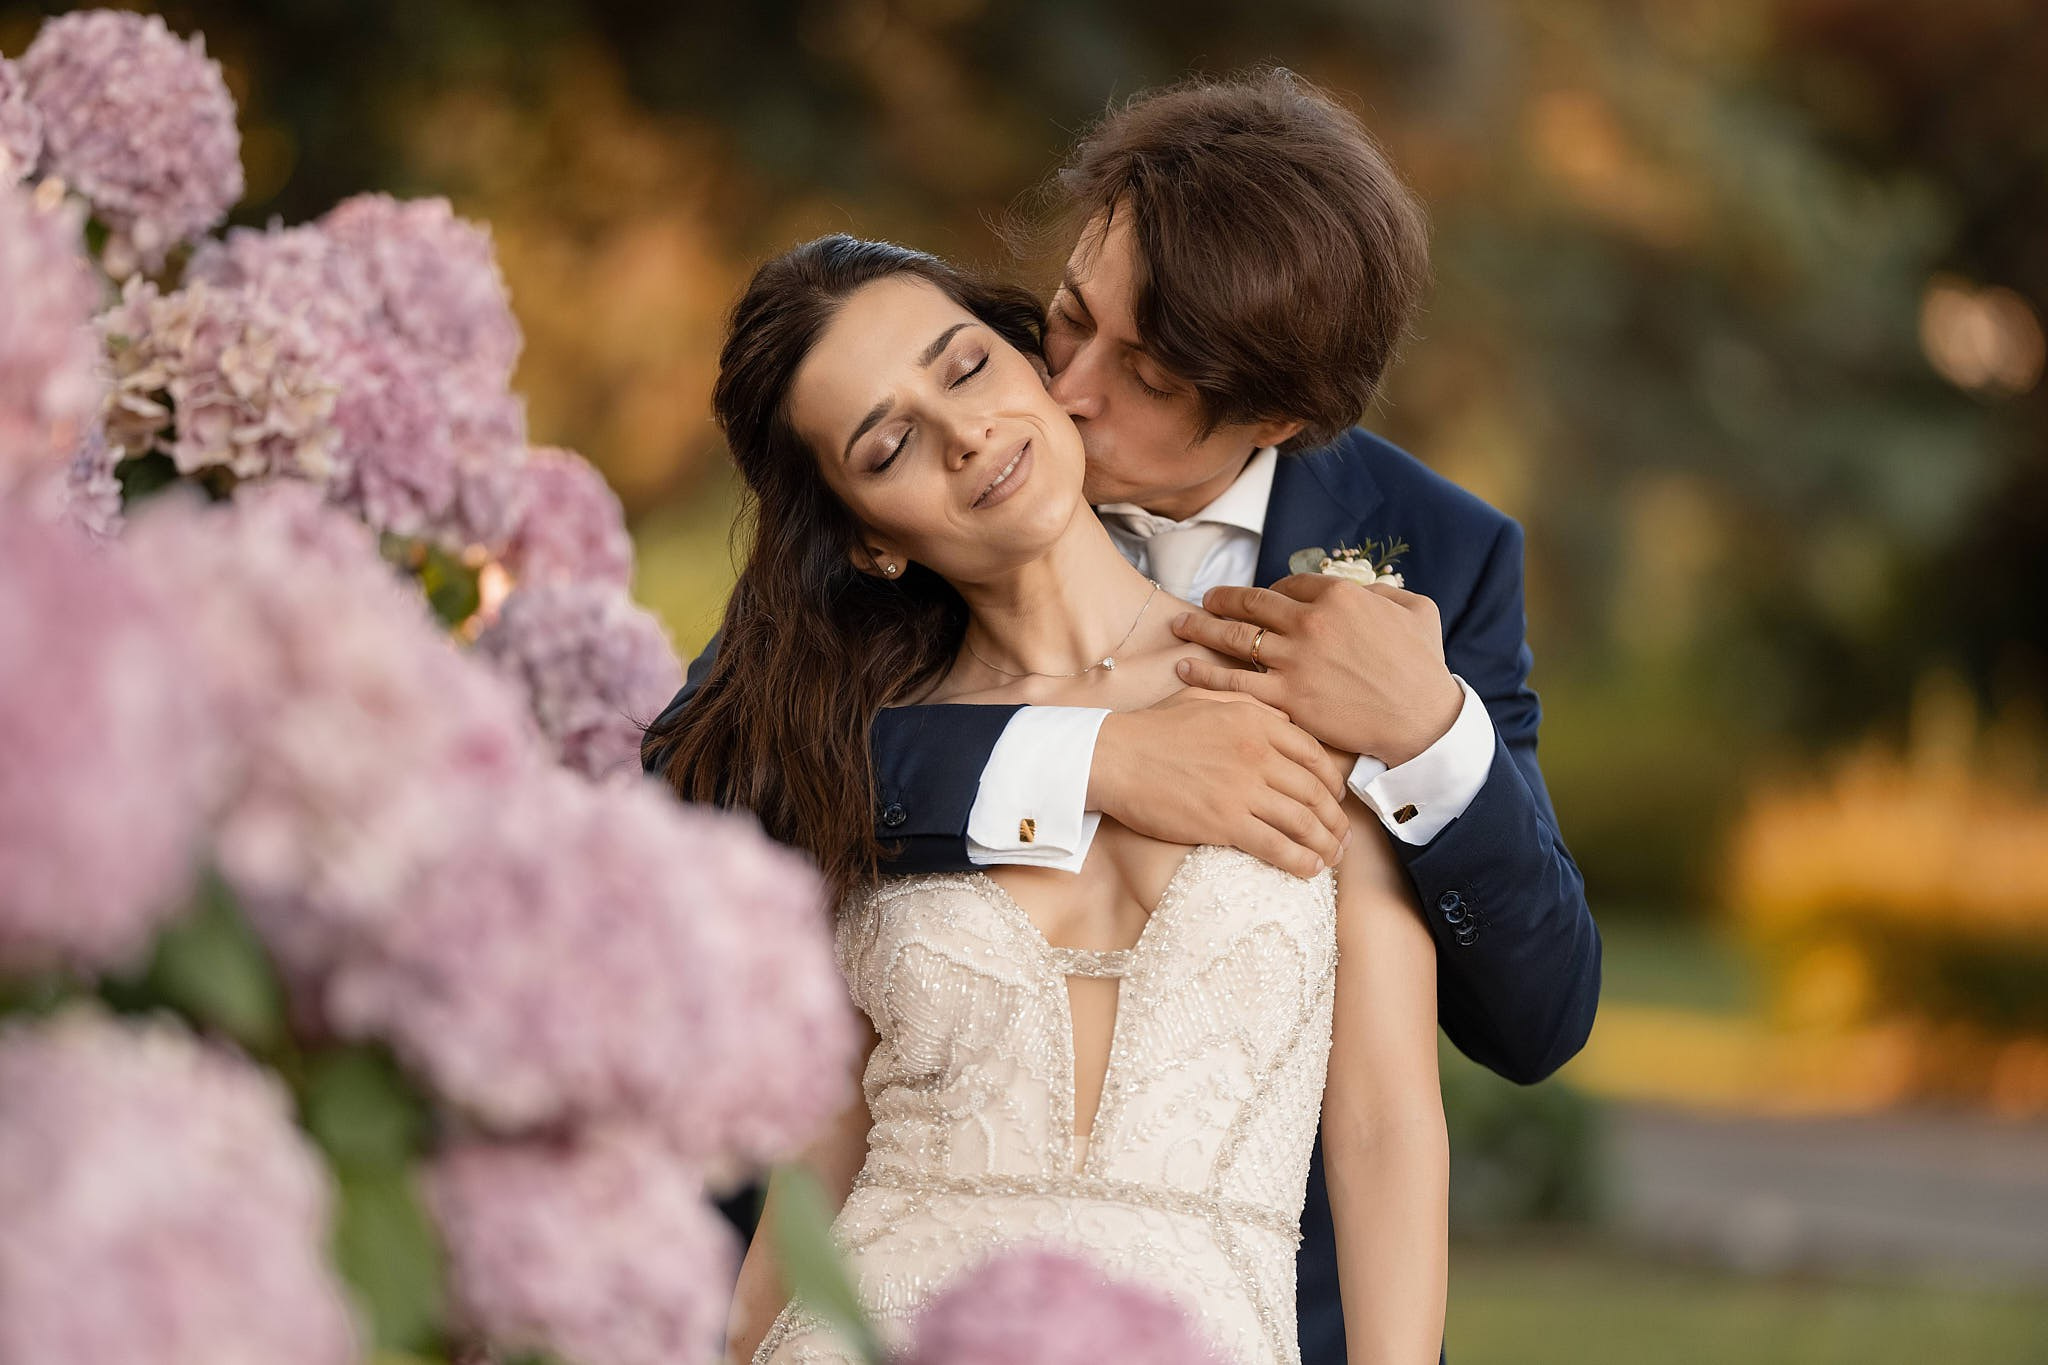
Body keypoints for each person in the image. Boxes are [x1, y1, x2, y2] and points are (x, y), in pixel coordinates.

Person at [645, 70, 1600, 1365]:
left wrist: (1427, 732)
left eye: (1141, 371)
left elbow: (1508, 1034)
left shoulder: (1430, 561)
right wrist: (1088, 757)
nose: (1067, 386)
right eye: (1068, 319)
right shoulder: (906, 496)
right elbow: (713, 783)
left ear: (1279, 419)